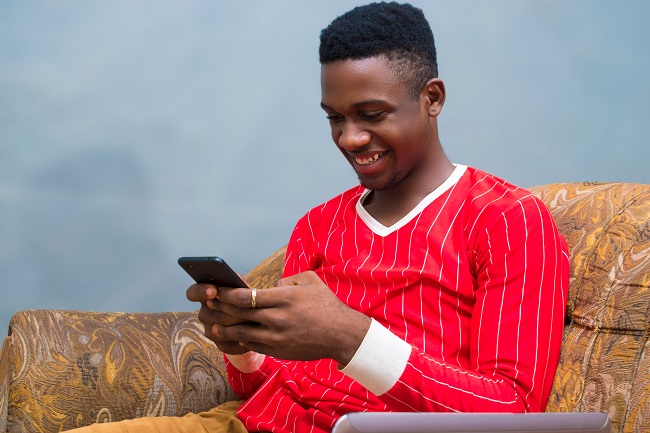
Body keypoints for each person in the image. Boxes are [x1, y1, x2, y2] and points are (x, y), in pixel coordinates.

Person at [69, 2, 569, 433]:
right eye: (335, 117)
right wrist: (240, 341)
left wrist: (348, 337)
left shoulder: (507, 220)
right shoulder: (318, 224)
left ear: (431, 99)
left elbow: (513, 412)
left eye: (372, 115)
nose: (349, 138)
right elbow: (262, 384)